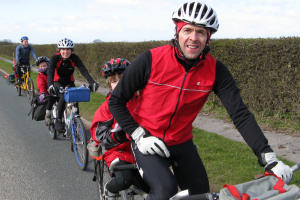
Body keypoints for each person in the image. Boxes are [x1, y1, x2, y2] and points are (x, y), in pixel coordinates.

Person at [108, 1, 293, 199]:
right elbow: (116, 100)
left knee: (201, 195)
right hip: (147, 140)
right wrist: (138, 135)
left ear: (208, 37)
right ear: (177, 31)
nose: (193, 38)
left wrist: (268, 156)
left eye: (201, 32)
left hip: (181, 141)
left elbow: (240, 114)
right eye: (187, 30)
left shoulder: (216, 71)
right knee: (164, 190)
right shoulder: (151, 59)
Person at [89, 58, 148, 199]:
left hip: (141, 149)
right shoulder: (108, 106)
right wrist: (118, 136)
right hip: (117, 150)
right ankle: (109, 191)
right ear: (109, 85)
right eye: (115, 81)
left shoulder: (141, 100)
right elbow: (99, 134)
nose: (120, 84)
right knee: (125, 179)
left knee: (153, 186)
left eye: (123, 80)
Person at [47, 38, 98, 132]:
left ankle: (76, 123)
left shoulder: (74, 58)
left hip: (69, 82)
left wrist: (92, 82)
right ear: (59, 50)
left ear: (71, 50)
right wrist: (50, 85)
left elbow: (83, 70)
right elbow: (50, 71)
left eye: (68, 49)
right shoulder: (55, 58)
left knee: (75, 98)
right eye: (63, 49)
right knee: (63, 96)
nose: (65, 52)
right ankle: (58, 119)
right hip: (57, 82)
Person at [35, 56, 55, 125]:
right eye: (41, 66)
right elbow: (41, 86)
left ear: (48, 65)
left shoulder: (52, 72)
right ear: (38, 68)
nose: (43, 67)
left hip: (55, 91)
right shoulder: (40, 76)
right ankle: (47, 116)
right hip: (46, 94)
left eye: (44, 65)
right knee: (48, 102)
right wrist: (43, 93)